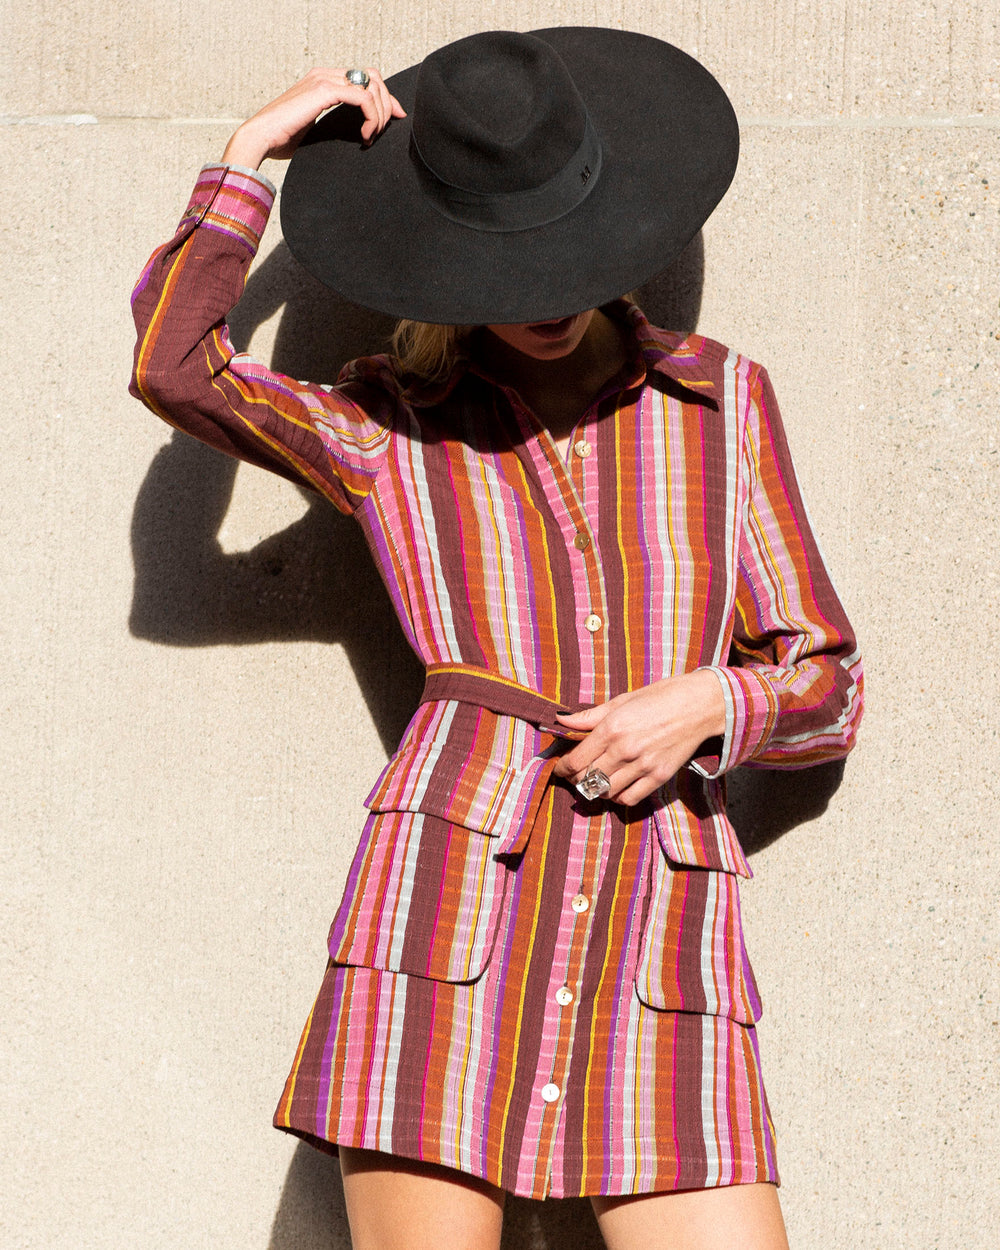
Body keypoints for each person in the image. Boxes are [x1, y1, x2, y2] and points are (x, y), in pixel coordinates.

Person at [130, 28, 863, 1250]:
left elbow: (826, 679)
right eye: (503, 264)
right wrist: (247, 158)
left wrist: (705, 704)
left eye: (564, 256)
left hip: (654, 917)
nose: (546, 296)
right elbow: (179, 368)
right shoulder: (388, 423)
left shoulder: (720, 399)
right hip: (445, 908)